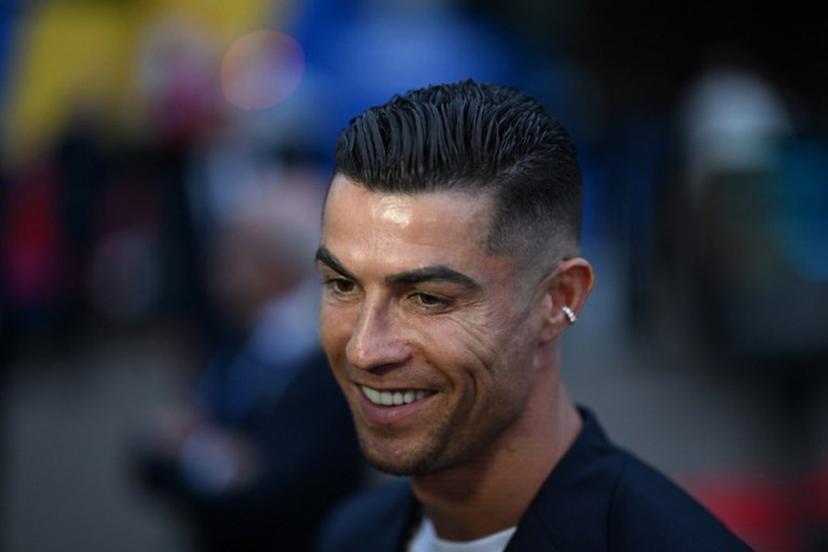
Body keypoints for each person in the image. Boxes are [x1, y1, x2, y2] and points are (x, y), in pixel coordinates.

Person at [314, 80, 750, 551]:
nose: (364, 349)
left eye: (428, 298)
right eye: (343, 285)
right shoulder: (353, 533)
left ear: (560, 298)